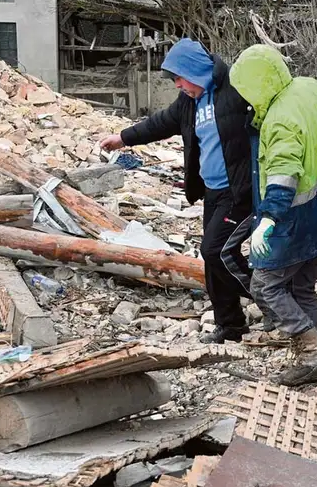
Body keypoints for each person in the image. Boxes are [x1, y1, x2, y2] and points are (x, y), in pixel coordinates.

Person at [99, 38, 253, 345]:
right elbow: (161, 123)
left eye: (179, 78)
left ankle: (272, 296)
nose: (177, 85)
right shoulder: (190, 102)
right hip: (213, 192)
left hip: (241, 191)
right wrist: (123, 138)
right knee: (211, 259)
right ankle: (230, 325)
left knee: (215, 250)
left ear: (195, 70)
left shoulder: (237, 89)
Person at [229, 44, 317, 386]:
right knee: (301, 284)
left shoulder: (279, 118)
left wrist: (268, 218)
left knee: (265, 285)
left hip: (294, 215)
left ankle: (312, 351)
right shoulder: (309, 87)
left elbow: (284, 171)